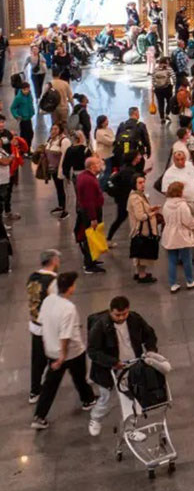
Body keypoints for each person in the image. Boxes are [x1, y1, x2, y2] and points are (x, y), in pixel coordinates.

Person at [31, 271, 96, 428]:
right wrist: (62, 357)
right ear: (71, 287)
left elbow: (42, 321)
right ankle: (88, 400)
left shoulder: (48, 300)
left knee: (50, 385)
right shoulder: (69, 308)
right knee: (79, 377)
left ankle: (39, 416)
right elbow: (65, 336)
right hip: (71, 352)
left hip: (52, 350)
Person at [86, 295, 157, 437]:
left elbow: (149, 334)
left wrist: (151, 350)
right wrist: (113, 362)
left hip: (132, 366)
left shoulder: (135, 319)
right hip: (108, 370)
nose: (121, 318)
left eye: (124, 314)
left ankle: (130, 429)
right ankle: (95, 418)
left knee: (133, 399)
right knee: (107, 399)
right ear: (110, 311)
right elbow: (93, 351)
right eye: (117, 315)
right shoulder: (101, 326)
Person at [27, 248, 60, 404]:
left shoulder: (32, 277)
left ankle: (34, 391)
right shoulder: (53, 281)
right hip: (49, 327)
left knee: (37, 361)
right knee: (59, 359)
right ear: (53, 261)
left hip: (35, 324)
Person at [161, 181, 194, 292]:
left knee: (172, 260)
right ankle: (190, 281)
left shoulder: (166, 204)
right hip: (182, 235)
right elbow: (187, 221)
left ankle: (173, 284)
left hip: (169, 235)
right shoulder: (182, 205)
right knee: (186, 259)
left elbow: (165, 219)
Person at [74, 155, 107, 274]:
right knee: (90, 237)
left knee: (91, 237)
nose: (100, 165)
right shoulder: (88, 180)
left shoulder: (84, 176)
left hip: (87, 211)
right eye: (98, 163)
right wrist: (93, 218)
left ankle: (92, 259)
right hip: (90, 213)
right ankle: (89, 264)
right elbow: (89, 201)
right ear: (92, 166)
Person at [127, 175, 160, 284]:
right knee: (143, 253)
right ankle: (142, 275)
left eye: (143, 182)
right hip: (142, 230)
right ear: (134, 184)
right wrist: (152, 213)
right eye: (140, 183)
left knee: (139, 252)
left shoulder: (137, 195)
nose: (143, 185)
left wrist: (150, 208)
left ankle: (139, 273)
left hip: (139, 229)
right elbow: (140, 216)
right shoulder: (136, 198)